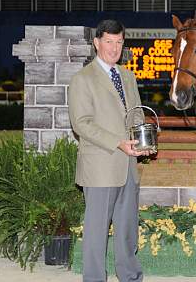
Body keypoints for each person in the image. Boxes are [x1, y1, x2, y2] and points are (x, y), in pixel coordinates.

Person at [68, 19, 150, 282]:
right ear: (96, 42)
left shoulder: (127, 75)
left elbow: (136, 114)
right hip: (101, 166)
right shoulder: (83, 79)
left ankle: (130, 276)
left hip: (128, 164)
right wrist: (117, 142)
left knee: (127, 229)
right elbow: (81, 123)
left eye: (119, 42)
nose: (114, 48)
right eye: (109, 42)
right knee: (97, 231)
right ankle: (94, 278)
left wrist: (142, 140)